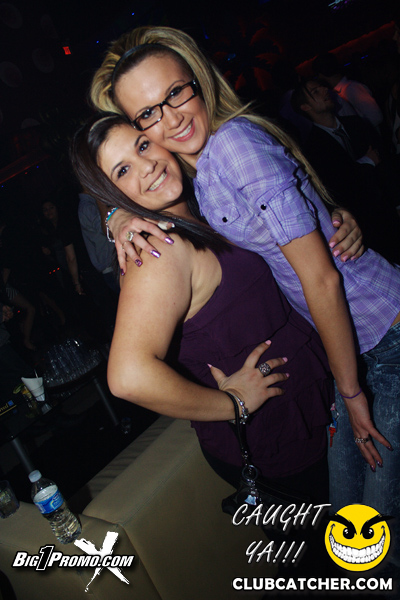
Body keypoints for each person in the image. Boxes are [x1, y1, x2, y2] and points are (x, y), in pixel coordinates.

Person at [89, 27, 400, 538]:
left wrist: (350, 392)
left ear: (199, 81)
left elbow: (318, 274)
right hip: (340, 365)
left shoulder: (225, 154)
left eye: (176, 93)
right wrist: (116, 217)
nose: (170, 119)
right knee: (357, 535)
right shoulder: (189, 188)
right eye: (149, 114)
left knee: (372, 536)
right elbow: (127, 375)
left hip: (371, 344)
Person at [71, 113, 334, 575]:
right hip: (275, 437)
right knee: (330, 566)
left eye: (142, 146)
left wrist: (335, 226)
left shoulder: (200, 207)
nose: (147, 166)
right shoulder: (158, 251)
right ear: (111, 193)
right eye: (122, 171)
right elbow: (128, 377)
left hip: (304, 409)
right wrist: (232, 403)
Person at [291, 78, 400, 265]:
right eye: (315, 92)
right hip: (365, 226)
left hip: (388, 210)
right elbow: (341, 186)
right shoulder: (313, 149)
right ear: (305, 107)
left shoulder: (356, 123)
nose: (324, 90)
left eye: (322, 87)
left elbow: (384, 162)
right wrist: (367, 162)